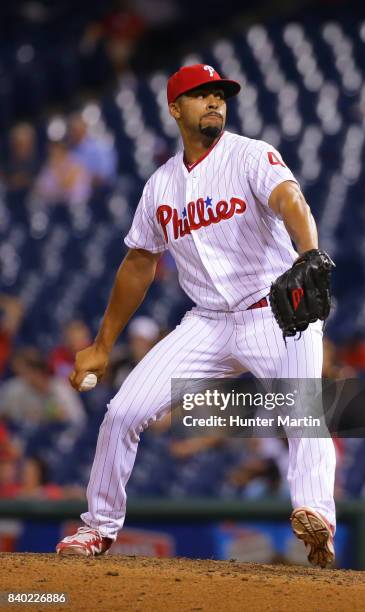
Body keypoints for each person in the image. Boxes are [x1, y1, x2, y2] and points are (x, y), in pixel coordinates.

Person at [56, 64, 336, 567]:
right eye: (201, 95)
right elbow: (139, 262)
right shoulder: (160, 186)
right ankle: (97, 529)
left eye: (220, 95)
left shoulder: (250, 154)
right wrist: (102, 344)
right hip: (207, 322)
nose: (214, 102)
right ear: (174, 109)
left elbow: (289, 198)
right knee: (122, 412)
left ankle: (315, 515)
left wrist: (309, 251)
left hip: (277, 310)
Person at [0, 348, 85, 428]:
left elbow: (78, 419)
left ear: (39, 372)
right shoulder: (20, 389)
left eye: (28, 372)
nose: (26, 377)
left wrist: (62, 417)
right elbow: (5, 413)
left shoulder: (61, 389)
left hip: (61, 434)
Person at [67, 113, 117, 186]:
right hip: (75, 191)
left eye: (76, 129)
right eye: (71, 130)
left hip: (101, 189)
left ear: (84, 128)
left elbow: (106, 174)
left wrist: (84, 179)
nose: (73, 133)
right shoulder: (69, 150)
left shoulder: (100, 146)